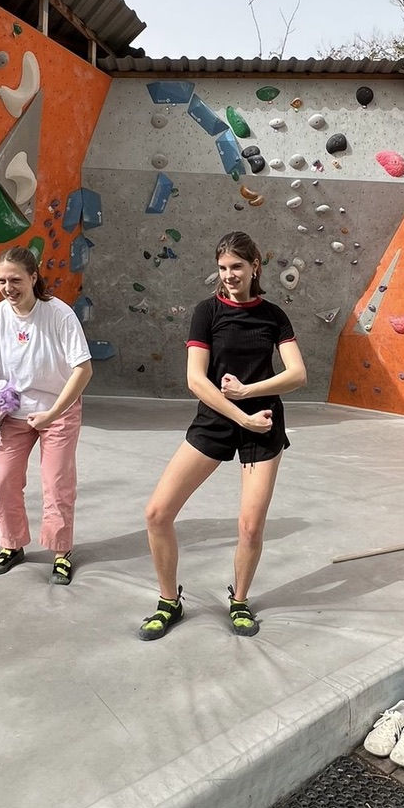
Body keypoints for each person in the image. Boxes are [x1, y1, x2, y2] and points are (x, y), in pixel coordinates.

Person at [138, 231, 307, 640]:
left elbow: (297, 374)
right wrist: (238, 414)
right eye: (223, 268)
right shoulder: (207, 312)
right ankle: (168, 601)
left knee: (250, 527)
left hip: (263, 423)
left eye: (237, 267)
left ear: (255, 268)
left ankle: (240, 600)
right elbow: (196, 380)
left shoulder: (273, 315)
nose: (229, 275)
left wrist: (249, 394)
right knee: (157, 514)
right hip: (216, 419)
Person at [0, 246, 93, 584]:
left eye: (15, 280)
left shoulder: (59, 314)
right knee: (3, 481)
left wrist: (52, 414)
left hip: (58, 411)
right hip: (13, 415)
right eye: (2, 281)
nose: (8, 287)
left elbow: (83, 370)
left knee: (57, 483)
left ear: (34, 278)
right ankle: (11, 545)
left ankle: (61, 552)